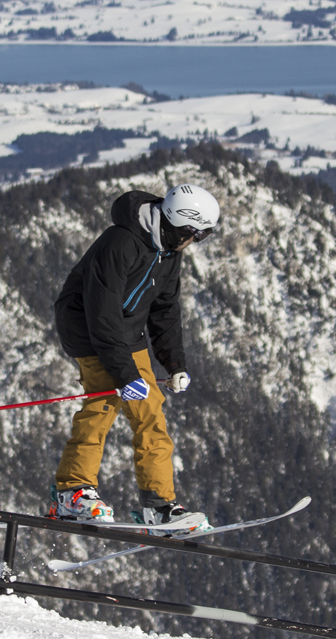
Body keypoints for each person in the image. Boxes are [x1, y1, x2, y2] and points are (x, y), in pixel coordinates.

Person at [50, 182, 220, 531]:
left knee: (150, 411)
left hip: (127, 332)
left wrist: (174, 364)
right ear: (178, 224)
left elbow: (165, 309)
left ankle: (160, 506)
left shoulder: (169, 251)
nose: (195, 242)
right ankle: (73, 492)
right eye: (196, 234)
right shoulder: (120, 243)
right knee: (104, 403)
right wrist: (125, 375)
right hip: (87, 328)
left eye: (201, 236)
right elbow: (102, 313)